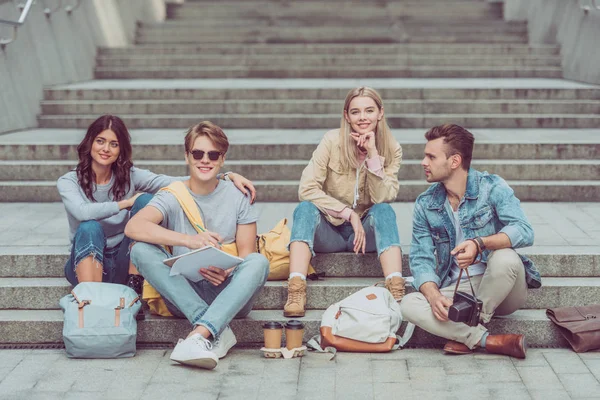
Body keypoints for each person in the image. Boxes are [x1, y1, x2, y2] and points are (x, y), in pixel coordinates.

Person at [125, 121, 269, 370]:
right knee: (139, 249)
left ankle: (199, 334)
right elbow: (133, 228)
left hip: (228, 292)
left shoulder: (239, 196)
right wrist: (189, 241)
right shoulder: (172, 195)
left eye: (213, 154)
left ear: (222, 159)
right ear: (187, 156)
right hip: (183, 293)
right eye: (198, 153)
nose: (205, 160)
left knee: (258, 262)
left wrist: (228, 271)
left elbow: (247, 255)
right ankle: (213, 331)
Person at [57, 115, 256, 295]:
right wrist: (125, 204)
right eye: (100, 141)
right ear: (89, 142)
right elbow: (82, 212)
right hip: (85, 260)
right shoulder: (69, 181)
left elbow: (176, 181)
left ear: (121, 149)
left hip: (122, 260)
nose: (106, 149)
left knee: (144, 201)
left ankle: (134, 282)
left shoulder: (129, 175)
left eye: (114, 144)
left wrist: (223, 175)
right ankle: (91, 300)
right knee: (90, 226)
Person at [400, 124, 541, 359]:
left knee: (506, 257)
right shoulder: (426, 203)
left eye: (431, 157)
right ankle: (485, 339)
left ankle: (472, 325)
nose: (423, 162)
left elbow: (524, 231)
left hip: (502, 286)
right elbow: (420, 258)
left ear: (454, 161)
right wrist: (434, 295)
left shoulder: (492, 187)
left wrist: (480, 243)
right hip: (459, 289)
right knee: (409, 303)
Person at [284, 86, 405, 318]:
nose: (362, 117)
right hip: (331, 230)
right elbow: (306, 189)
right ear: (346, 116)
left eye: (369, 110)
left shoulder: (392, 149)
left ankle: (396, 290)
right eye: (356, 112)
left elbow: (383, 196)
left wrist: (372, 155)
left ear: (380, 113)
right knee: (305, 209)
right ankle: (296, 289)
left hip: (365, 235)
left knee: (384, 210)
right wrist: (347, 213)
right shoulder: (331, 141)